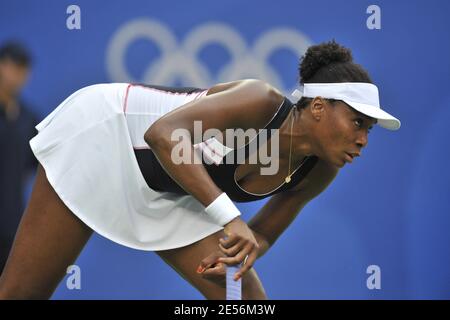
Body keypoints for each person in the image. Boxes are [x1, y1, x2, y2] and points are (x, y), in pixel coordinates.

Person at [0, 40, 400, 299]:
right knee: (21, 294)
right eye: (357, 122)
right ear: (317, 107)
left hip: (175, 190)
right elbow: (163, 135)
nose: (364, 139)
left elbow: (258, 235)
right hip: (104, 138)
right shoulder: (259, 101)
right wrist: (229, 218)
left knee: (246, 301)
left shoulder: (321, 171)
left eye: (368, 129)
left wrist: (239, 253)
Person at [0, 41, 38, 274]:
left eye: (23, 69)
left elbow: (31, 169)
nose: (18, 74)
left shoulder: (29, 119)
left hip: (11, 229)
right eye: (13, 66)